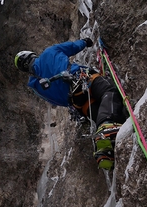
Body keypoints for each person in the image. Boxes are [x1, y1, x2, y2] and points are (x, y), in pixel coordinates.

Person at [14, 38, 126, 169]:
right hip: (84, 80)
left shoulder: (36, 86)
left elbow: (55, 101)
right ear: (31, 55)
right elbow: (73, 46)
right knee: (109, 92)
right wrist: (85, 42)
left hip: (78, 102)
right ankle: (107, 129)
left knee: (99, 116)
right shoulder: (49, 52)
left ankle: (105, 152)